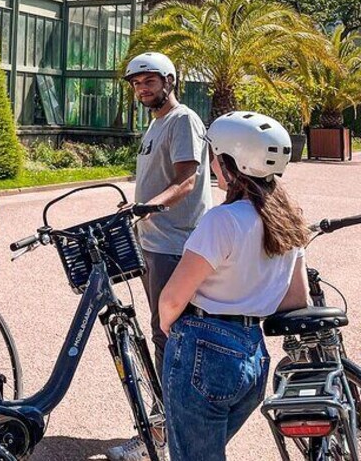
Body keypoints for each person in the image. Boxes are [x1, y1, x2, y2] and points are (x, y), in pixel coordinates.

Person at [158, 111, 310, 461]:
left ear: (229, 163)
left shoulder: (221, 220)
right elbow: (295, 297)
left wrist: (170, 325)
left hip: (203, 347)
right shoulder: (288, 223)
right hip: (253, 355)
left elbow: (173, 297)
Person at [107, 52, 213, 461]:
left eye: (149, 81)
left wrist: (147, 206)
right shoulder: (156, 124)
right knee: (161, 334)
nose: (142, 89)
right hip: (154, 242)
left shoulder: (183, 119)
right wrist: (137, 209)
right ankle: (167, 423)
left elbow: (188, 179)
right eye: (136, 83)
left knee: (171, 336)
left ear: (170, 80)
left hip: (175, 243)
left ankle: (167, 431)